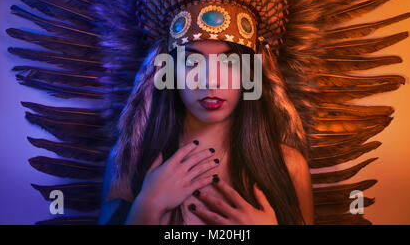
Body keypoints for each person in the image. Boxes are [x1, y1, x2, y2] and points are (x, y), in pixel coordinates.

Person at [98, 36, 314, 225]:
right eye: (192, 61)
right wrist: (146, 208)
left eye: (230, 62)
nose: (210, 81)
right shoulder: (128, 159)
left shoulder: (289, 166)